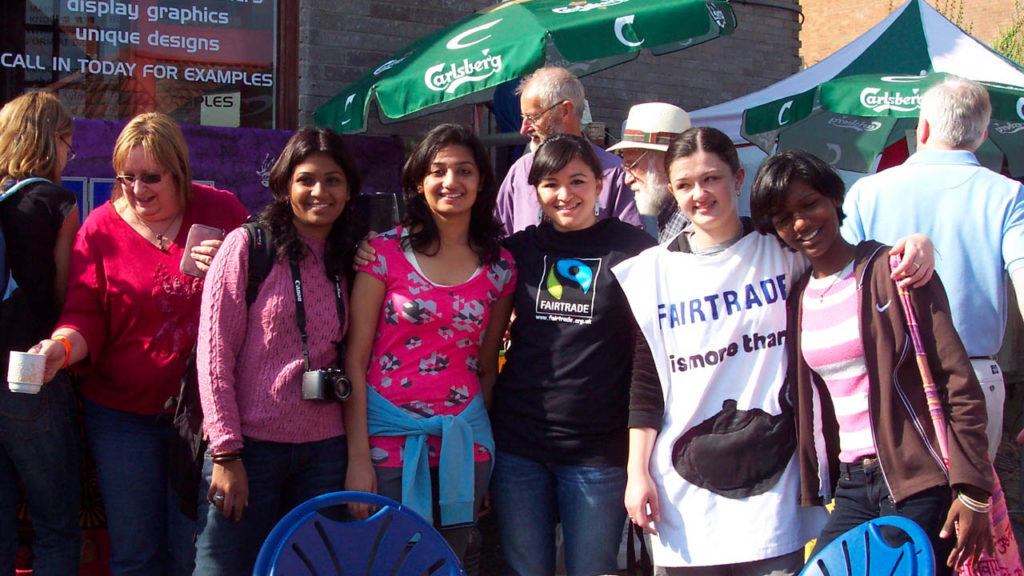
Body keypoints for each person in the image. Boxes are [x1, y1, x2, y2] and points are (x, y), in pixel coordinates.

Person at [613, 128, 933, 576]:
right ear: (671, 190)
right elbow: (647, 385)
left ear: (738, 179)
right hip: (683, 493)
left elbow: (854, 258)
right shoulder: (651, 274)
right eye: (684, 184)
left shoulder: (783, 250)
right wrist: (637, 474)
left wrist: (915, 243)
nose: (699, 194)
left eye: (712, 179)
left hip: (775, 490)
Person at [749, 149, 994, 574]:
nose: (802, 223)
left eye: (810, 204)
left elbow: (957, 380)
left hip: (917, 480)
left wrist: (973, 489)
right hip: (850, 484)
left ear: (834, 200)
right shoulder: (798, 295)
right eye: (785, 217)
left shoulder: (894, 271)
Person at [31, 112, 249, 576]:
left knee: (192, 553)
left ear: (181, 174)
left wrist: (233, 264)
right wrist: (59, 349)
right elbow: (83, 315)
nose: (138, 189)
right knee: (135, 556)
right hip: (121, 417)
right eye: (126, 177)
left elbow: (268, 288)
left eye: (152, 177)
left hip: (203, 418)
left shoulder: (222, 210)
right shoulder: (100, 228)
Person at [345, 124, 515, 562]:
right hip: (388, 439)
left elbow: (487, 365)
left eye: (464, 171)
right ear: (419, 182)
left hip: (465, 442)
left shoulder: (501, 266)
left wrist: (486, 450)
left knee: (453, 562)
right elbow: (355, 360)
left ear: (481, 182)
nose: (451, 182)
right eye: (438, 171)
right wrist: (358, 457)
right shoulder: (383, 253)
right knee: (386, 562)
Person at [193, 127, 360, 574]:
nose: (319, 191)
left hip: (325, 451)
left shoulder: (352, 257)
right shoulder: (249, 246)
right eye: (306, 179)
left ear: (349, 189)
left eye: (333, 179)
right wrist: (226, 454)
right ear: (286, 185)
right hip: (250, 449)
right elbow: (214, 357)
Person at [490, 133, 656, 576]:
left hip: (597, 451)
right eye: (550, 184)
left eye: (577, 181)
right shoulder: (518, 251)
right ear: (536, 190)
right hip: (518, 444)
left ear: (600, 184)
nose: (565, 195)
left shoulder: (635, 251)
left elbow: (649, 356)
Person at [841, 76, 1024, 459]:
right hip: (973, 378)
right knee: (969, 512)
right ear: (983, 134)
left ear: (921, 128)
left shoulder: (867, 192)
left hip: (885, 377)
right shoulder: (1008, 195)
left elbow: (841, 283)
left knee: (899, 513)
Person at [0, 91, 81, 575]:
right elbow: (64, 296)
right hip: (30, 376)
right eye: (68, 142)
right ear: (53, 141)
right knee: (56, 526)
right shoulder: (56, 202)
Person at [495, 66, 641, 236]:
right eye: (523, 118)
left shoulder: (617, 175)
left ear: (565, 111)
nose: (524, 129)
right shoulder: (520, 171)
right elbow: (500, 240)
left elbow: (632, 251)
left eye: (533, 117)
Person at [607, 102, 691, 243]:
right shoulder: (672, 215)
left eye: (632, 165)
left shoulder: (692, 220)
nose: (627, 179)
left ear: (667, 162)